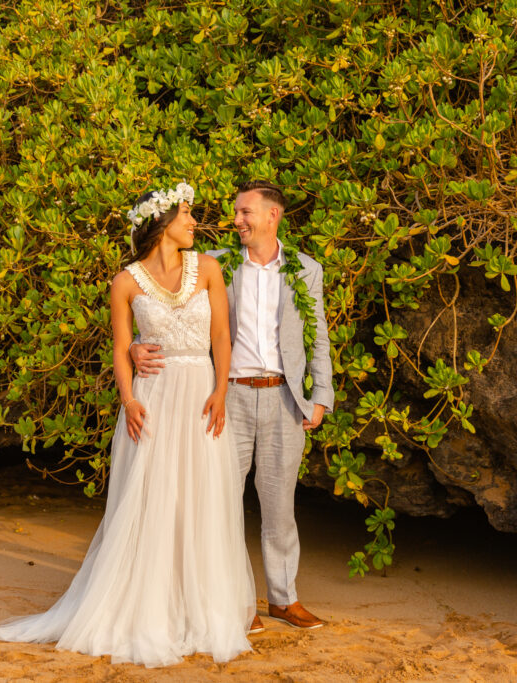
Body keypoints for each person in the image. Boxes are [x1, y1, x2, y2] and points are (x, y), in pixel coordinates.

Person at [0, 183, 256, 667]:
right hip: (152, 401)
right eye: (186, 214)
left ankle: (198, 608)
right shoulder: (125, 282)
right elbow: (120, 347)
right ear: (162, 223)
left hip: (201, 396)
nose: (194, 221)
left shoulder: (209, 269)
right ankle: (148, 608)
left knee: (200, 497)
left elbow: (221, 334)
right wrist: (129, 399)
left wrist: (221, 390)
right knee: (153, 497)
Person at [132, 180, 334, 633]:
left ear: (272, 216)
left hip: (284, 398)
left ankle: (284, 599)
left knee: (280, 508)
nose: (236, 220)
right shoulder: (214, 264)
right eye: (237, 212)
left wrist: (321, 396)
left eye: (245, 212)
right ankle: (237, 603)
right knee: (220, 503)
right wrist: (133, 347)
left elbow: (318, 336)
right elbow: (164, 307)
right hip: (226, 396)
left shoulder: (306, 270)